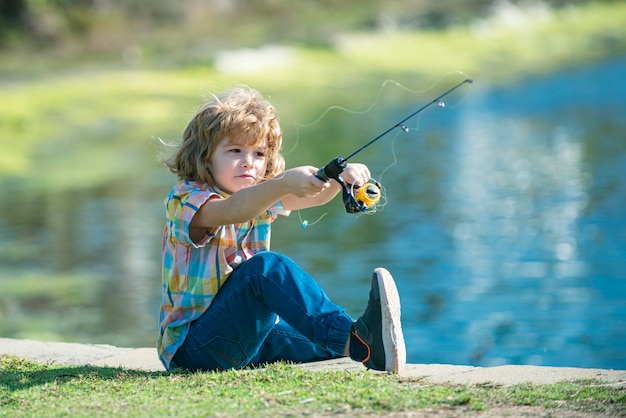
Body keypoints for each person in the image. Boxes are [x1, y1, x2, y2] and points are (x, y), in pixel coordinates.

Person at [157, 86, 405, 373]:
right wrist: (282, 183)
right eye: (235, 150)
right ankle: (362, 339)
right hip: (194, 349)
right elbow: (233, 210)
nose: (248, 161)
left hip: (244, 337)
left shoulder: (258, 194)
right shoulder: (186, 199)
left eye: (259, 153)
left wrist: (339, 180)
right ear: (204, 157)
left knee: (321, 337)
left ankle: (369, 344)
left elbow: (308, 196)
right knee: (265, 268)